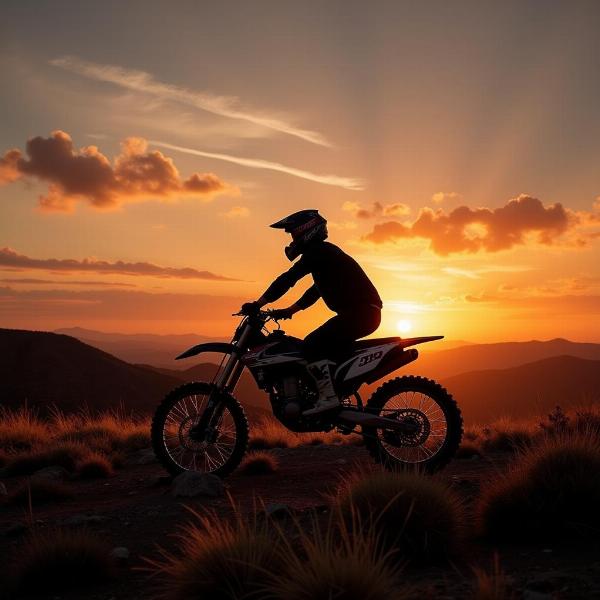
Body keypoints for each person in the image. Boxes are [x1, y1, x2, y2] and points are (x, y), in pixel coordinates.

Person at [241, 209, 382, 415]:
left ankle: (328, 398)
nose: (291, 240)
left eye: (292, 234)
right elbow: (316, 290)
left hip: (361, 314)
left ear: (305, 231)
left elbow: (288, 279)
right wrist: (290, 310)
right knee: (319, 347)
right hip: (362, 314)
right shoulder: (324, 255)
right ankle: (331, 391)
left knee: (312, 345)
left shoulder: (318, 252)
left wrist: (258, 304)